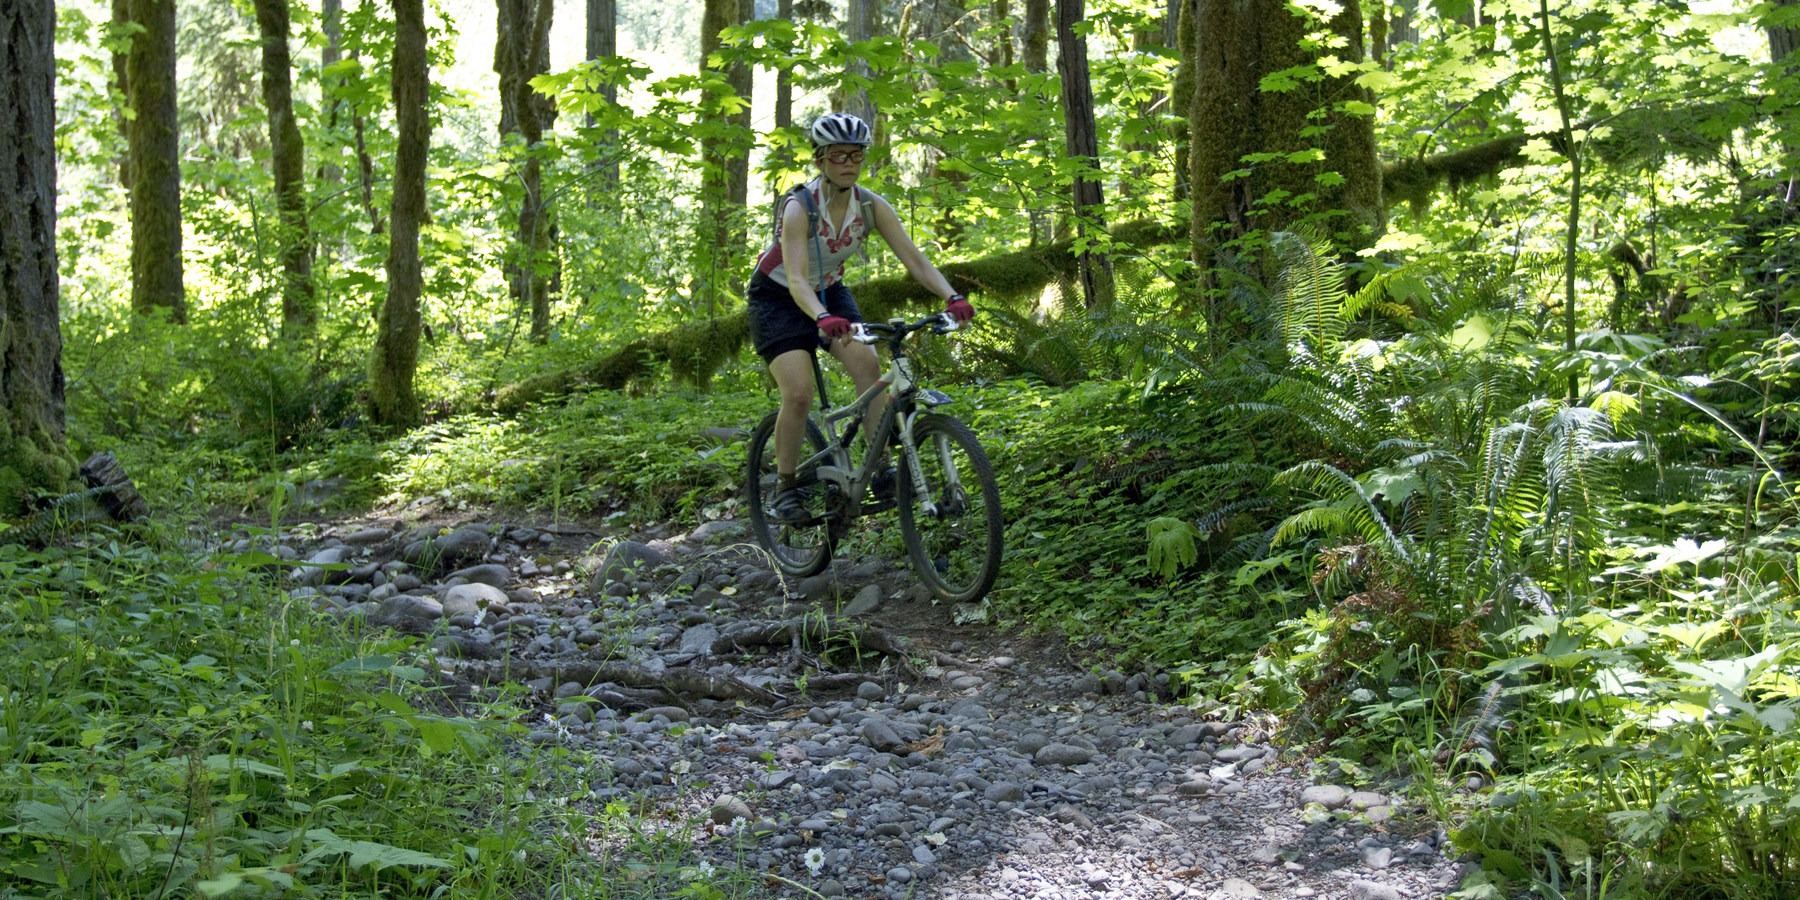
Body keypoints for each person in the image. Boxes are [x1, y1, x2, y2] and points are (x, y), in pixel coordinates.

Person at [746, 112, 975, 523]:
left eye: (856, 155)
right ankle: (784, 488)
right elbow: (796, 280)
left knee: (868, 365)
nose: (849, 163)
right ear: (820, 161)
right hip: (777, 297)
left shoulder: (870, 205)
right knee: (798, 392)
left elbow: (916, 261)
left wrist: (951, 295)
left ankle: (881, 469)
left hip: (829, 292)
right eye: (838, 155)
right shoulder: (800, 208)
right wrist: (820, 317)